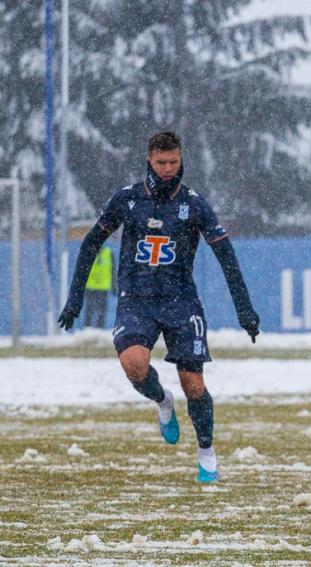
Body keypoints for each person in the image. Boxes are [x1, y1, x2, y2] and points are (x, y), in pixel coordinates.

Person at [57, 131, 260, 483]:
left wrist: (244, 309)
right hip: (136, 300)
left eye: (174, 162)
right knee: (134, 366)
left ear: (181, 160)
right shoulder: (127, 199)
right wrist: (75, 299)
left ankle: (206, 453)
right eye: (162, 162)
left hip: (181, 301)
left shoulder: (194, 204)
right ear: (150, 160)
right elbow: (91, 244)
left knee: (193, 385)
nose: (168, 169)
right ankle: (163, 400)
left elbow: (226, 256)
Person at [83, 244, 114, 328]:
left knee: (101, 311)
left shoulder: (108, 252)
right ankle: (87, 330)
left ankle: (99, 329)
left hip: (103, 288)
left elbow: (113, 270)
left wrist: (114, 287)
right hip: (90, 287)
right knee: (89, 310)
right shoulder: (88, 252)